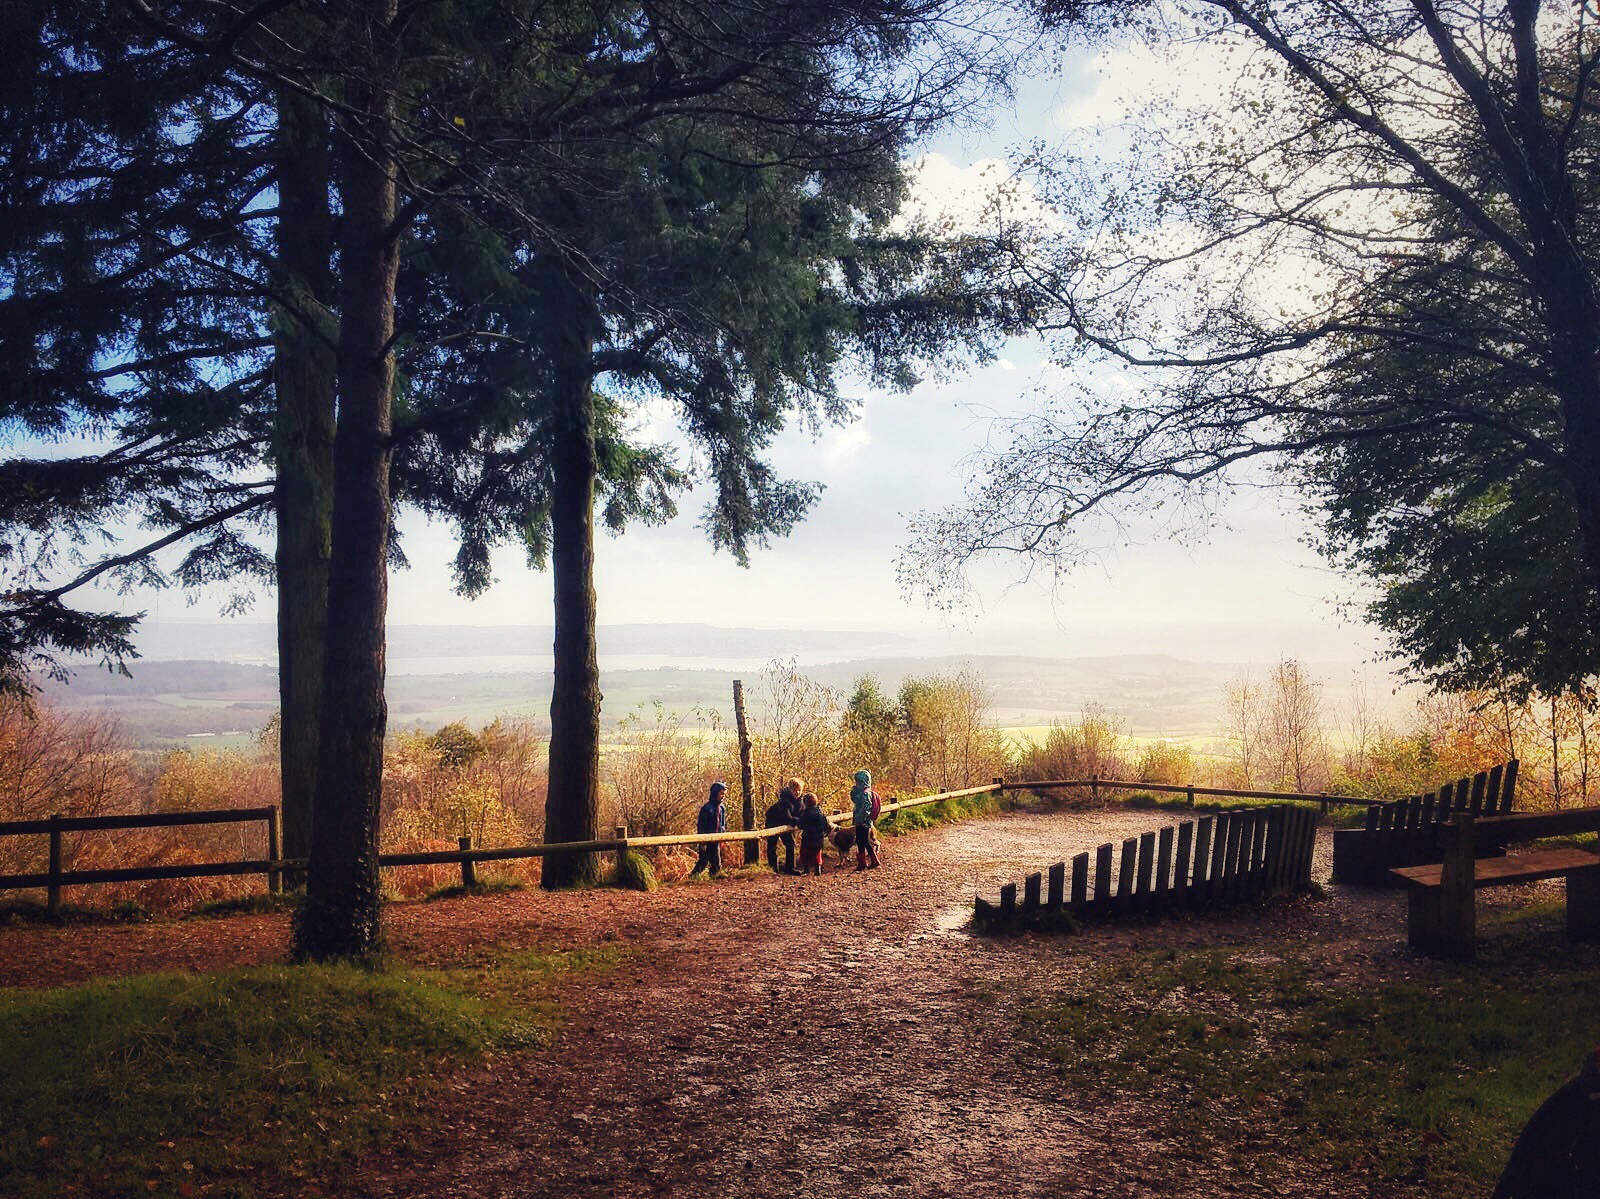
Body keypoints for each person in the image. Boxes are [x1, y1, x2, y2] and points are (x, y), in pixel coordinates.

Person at [765, 776, 804, 874]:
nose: (797, 793)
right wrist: (799, 821)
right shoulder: (785, 801)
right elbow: (788, 817)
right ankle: (773, 869)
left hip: (784, 824)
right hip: (773, 821)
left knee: (790, 843)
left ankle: (790, 868)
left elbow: (801, 814)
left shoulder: (800, 802)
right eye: (795, 790)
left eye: (799, 790)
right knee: (772, 845)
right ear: (790, 790)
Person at [690, 781, 727, 878]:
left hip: (716, 841)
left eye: (724, 794)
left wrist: (723, 837)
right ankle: (693, 878)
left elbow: (722, 825)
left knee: (716, 863)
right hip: (706, 841)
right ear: (715, 793)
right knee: (703, 861)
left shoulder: (722, 808)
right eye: (721, 793)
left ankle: (713, 880)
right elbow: (701, 827)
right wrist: (702, 843)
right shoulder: (706, 808)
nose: (723, 796)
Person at [850, 769, 881, 871]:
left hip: (863, 822)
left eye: (858, 782)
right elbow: (854, 799)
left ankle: (869, 861)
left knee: (864, 841)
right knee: (861, 842)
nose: (857, 784)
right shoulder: (862, 792)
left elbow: (866, 807)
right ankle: (864, 862)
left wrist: (862, 819)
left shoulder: (865, 794)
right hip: (862, 821)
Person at [796, 793, 833, 877]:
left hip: (808, 837)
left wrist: (796, 821)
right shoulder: (820, 812)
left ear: (805, 803)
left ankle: (806, 869)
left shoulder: (806, 813)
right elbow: (826, 823)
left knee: (805, 853)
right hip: (819, 837)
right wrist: (825, 832)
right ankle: (817, 869)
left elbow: (801, 824)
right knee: (817, 853)